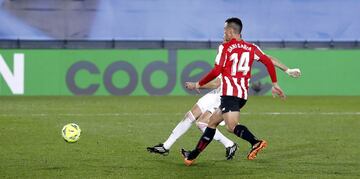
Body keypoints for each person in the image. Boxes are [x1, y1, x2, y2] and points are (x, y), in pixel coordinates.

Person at [181, 17, 286, 166]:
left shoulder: (224, 47)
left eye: (225, 31)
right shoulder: (252, 47)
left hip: (230, 94)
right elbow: (268, 61)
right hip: (242, 95)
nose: (223, 33)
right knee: (211, 123)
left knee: (231, 126)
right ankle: (192, 156)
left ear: (231, 31)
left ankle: (255, 142)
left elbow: (217, 70)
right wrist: (275, 83)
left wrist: (198, 83)